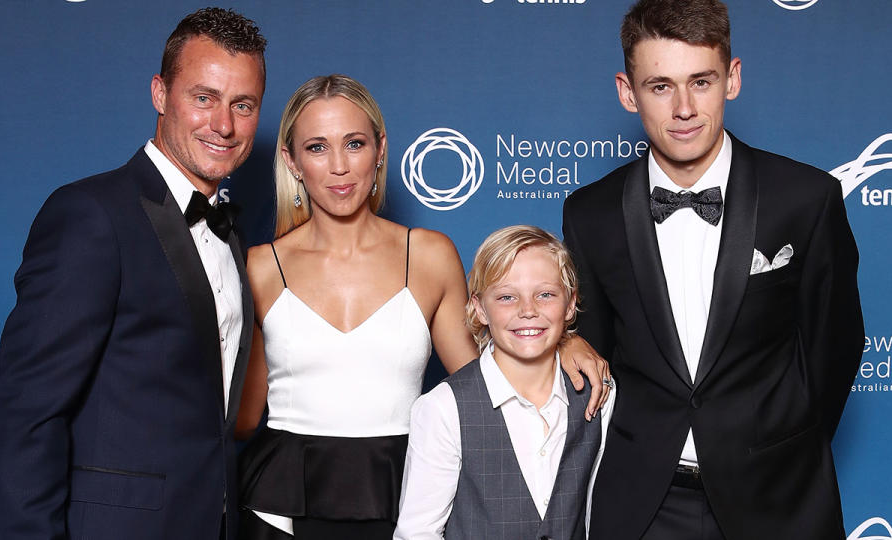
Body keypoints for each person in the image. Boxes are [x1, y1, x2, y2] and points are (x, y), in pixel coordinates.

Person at [235, 75, 611, 540]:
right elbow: (243, 419)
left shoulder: (429, 255)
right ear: (292, 161)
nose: (338, 166)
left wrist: (565, 343)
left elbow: (484, 383)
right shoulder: (258, 268)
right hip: (279, 508)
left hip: (403, 494)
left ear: (380, 149)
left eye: (354, 143)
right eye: (316, 147)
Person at [562, 1, 865, 539]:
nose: (683, 107)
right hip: (641, 503)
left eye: (700, 81)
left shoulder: (806, 198)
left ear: (733, 78)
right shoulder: (590, 213)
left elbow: (834, 348)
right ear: (627, 92)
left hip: (778, 496)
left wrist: (781, 445)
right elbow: (595, 352)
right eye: (660, 86)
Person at [0, 8, 266, 540]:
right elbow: (29, 413)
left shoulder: (231, 237)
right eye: (203, 97)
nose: (223, 124)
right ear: (161, 94)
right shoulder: (90, 214)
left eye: (243, 104)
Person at [393, 225, 616, 540]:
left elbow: (598, 513)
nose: (528, 310)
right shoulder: (444, 408)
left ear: (569, 304)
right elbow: (417, 533)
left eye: (546, 295)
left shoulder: (597, 393)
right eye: (507, 297)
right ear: (481, 308)